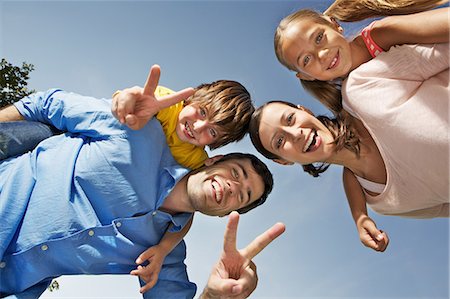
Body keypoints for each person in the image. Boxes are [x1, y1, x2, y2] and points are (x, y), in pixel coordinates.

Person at [0, 66, 281, 298]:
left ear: (224, 215)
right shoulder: (141, 127)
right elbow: (48, 104)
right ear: (212, 161)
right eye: (235, 174)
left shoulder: (162, 255)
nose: (233, 188)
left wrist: (214, 295)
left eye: (243, 197)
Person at [249, 42, 449, 252]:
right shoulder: (383, 203)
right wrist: (360, 215)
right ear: (284, 161)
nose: (295, 133)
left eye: (290, 119)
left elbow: (443, 49)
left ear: (305, 110)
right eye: (280, 142)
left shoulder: (362, 89)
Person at [273, 0, 449, 113]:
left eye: (319, 37)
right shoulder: (348, 104)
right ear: (305, 76)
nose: (322, 54)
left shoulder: (380, 35)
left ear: (335, 25)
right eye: (306, 59)